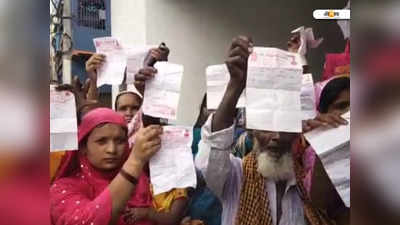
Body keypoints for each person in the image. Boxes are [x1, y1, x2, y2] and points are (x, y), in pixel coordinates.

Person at [195, 36, 349, 225]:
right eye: (268, 126)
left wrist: (327, 139)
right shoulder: (235, 176)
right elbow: (212, 154)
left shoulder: (305, 185)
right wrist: (235, 85)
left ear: (296, 132)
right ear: (252, 130)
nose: (276, 136)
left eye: (284, 127)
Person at [50, 108, 163, 225]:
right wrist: (134, 163)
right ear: (83, 147)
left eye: (119, 141)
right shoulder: (63, 188)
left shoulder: (142, 179)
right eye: (102, 141)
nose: (112, 150)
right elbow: (85, 221)